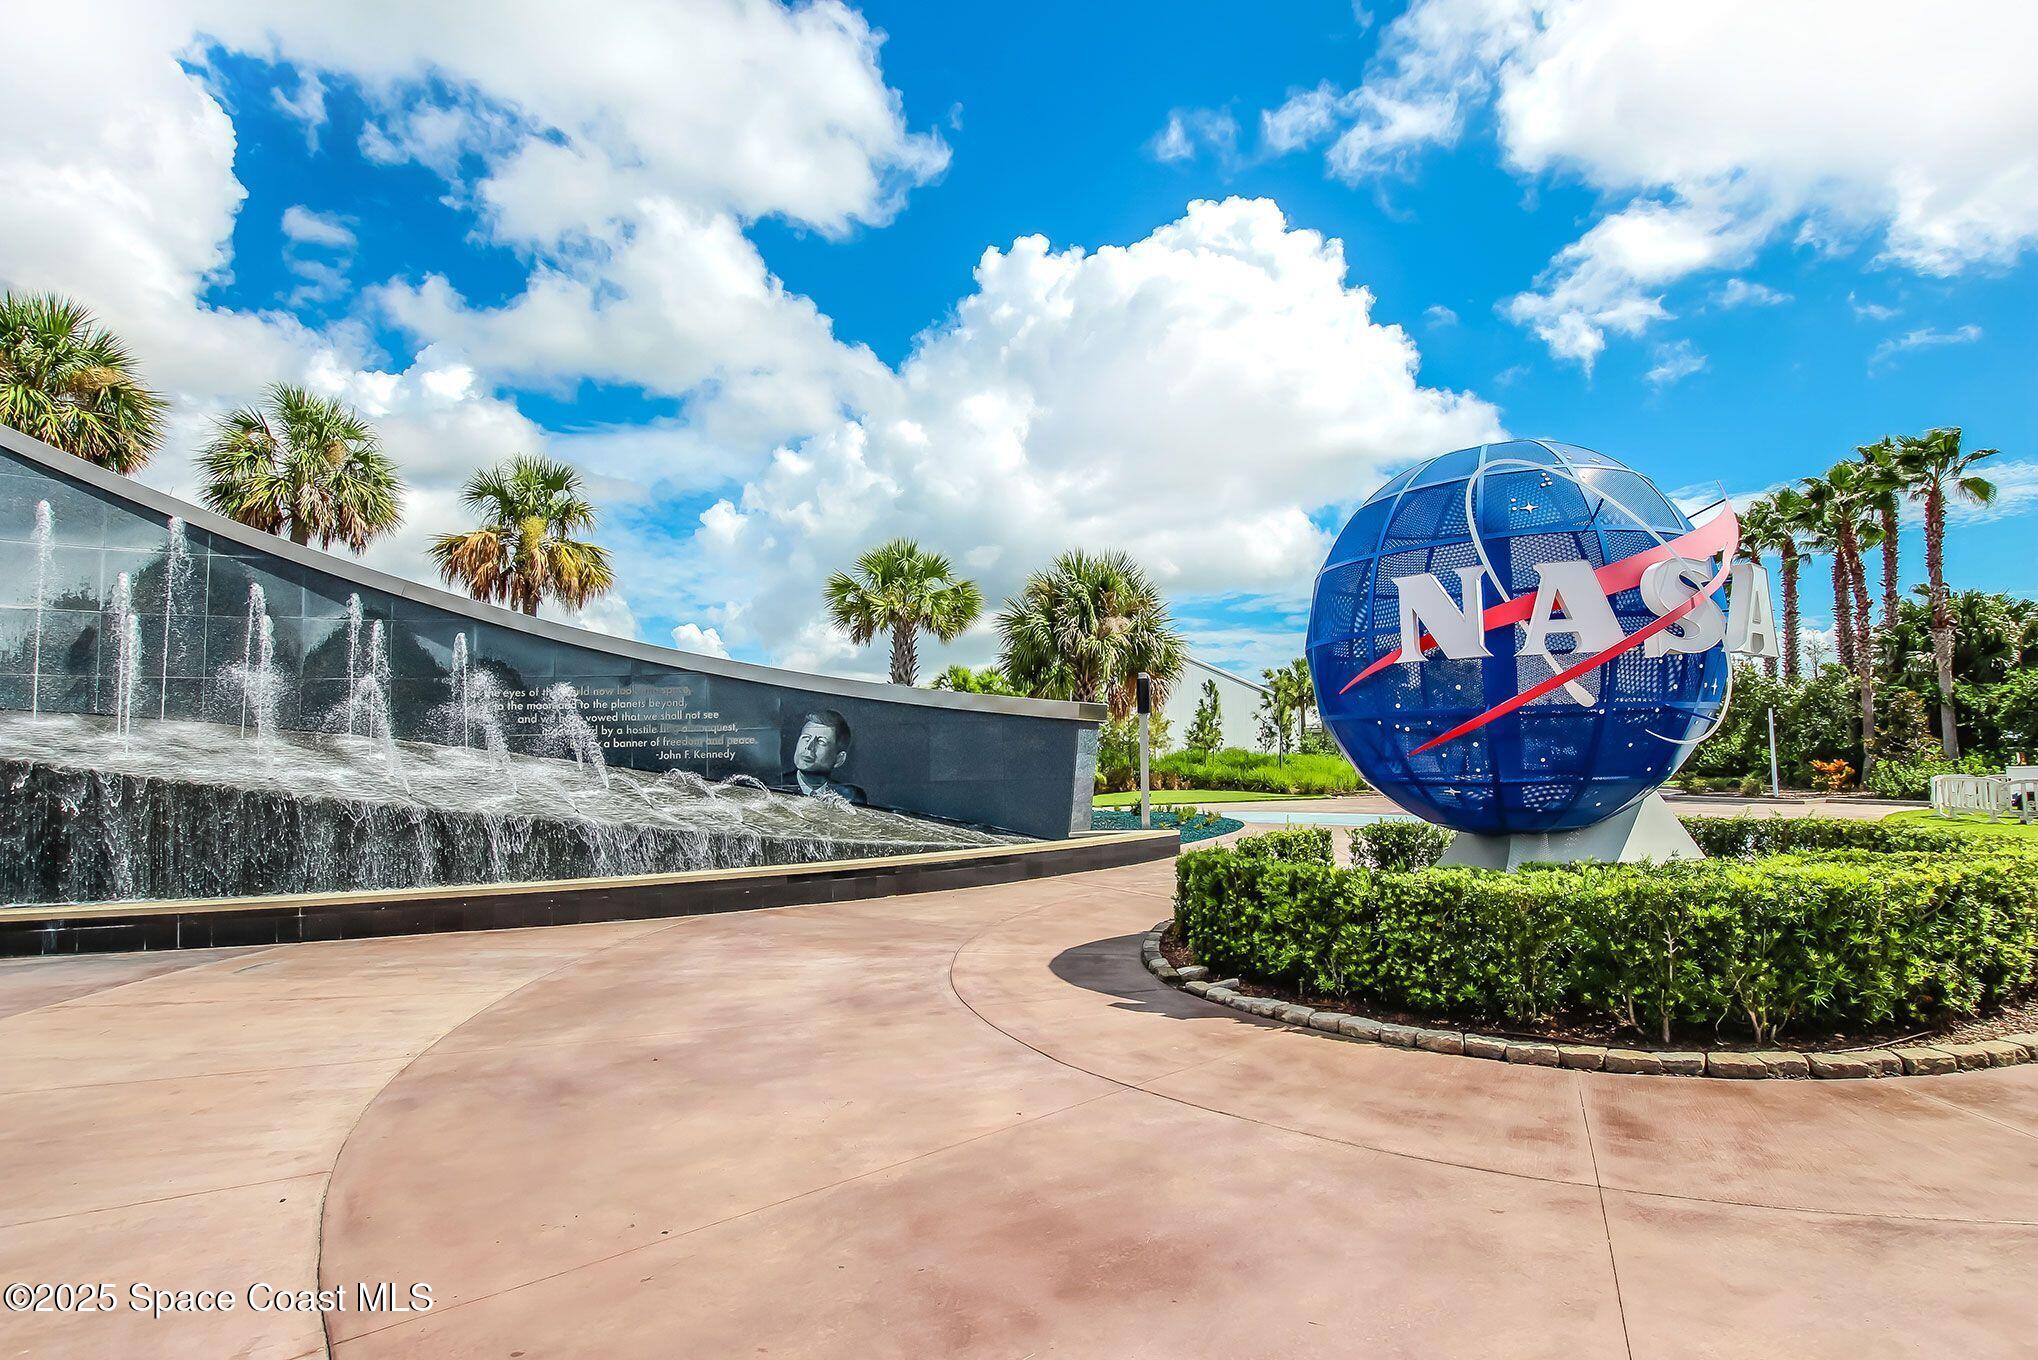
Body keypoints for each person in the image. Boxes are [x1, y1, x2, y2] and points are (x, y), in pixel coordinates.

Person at [781, 708, 866, 804]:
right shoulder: (775, 786)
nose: (809, 747)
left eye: (821, 742)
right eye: (806, 738)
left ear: (839, 759)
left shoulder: (850, 796)